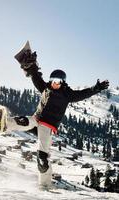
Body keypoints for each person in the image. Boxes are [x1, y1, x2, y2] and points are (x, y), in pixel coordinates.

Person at [8, 42, 109, 188]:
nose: (55, 83)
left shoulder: (68, 95)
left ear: (63, 82)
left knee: (42, 158)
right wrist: (30, 65)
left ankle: (45, 184)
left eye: (59, 81)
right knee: (24, 121)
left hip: (47, 127)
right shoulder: (45, 88)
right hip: (36, 119)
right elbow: (35, 76)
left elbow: (83, 94)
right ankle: (4, 123)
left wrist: (96, 88)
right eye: (53, 80)